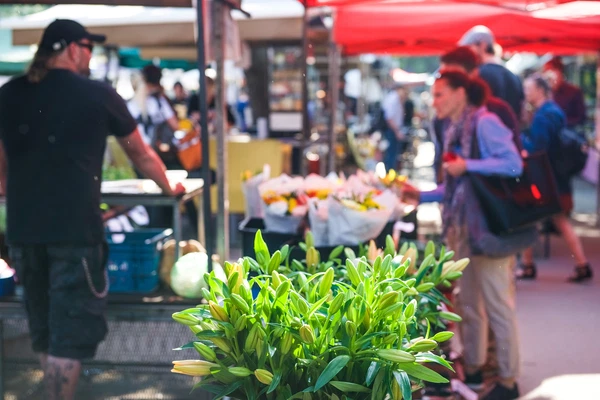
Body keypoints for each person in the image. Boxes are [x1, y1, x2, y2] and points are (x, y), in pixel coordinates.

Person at [0, 19, 184, 400]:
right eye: (88, 47)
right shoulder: (97, 94)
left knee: (42, 324)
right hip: (73, 232)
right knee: (68, 330)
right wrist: (171, 187)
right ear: (71, 49)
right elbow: (141, 154)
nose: (90, 55)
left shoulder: (10, 93)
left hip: (23, 230)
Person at [419, 70, 522, 400]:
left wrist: (470, 166)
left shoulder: (485, 121)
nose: (433, 102)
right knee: (469, 305)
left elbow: (513, 164)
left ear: (460, 93)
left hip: (491, 230)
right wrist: (418, 196)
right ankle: (475, 371)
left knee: (497, 307)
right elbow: (454, 185)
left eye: (439, 94)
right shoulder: (454, 128)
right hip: (465, 230)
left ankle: (508, 381)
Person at [518, 74, 592, 282]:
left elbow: (538, 148)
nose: (526, 93)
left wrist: (521, 139)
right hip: (556, 177)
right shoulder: (554, 111)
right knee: (558, 220)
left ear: (540, 90)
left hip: (545, 179)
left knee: (531, 218)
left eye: (528, 89)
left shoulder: (543, 115)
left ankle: (529, 265)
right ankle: (580, 264)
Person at [459, 25, 524, 119]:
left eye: (469, 47)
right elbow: (522, 115)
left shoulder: (479, 74)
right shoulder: (514, 76)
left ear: (483, 45)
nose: (466, 54)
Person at [127, 64, 180, 167]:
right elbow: (175, 125)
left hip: (138, 155)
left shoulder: (130, 105)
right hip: (158, 154)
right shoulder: (159, 101)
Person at [543, 57, 587, 130]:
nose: (549, 77)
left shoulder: (574, 91)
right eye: (547, 73)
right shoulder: (546, 93)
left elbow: (581, 117)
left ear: (560, 72)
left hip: (568, 135)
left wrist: (561, 123)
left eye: (553, 71)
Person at [381, 83, 406, 171]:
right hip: (392, 130)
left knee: (393, 153)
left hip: (394, 129)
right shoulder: (393, 99)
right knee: (391, 154)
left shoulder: (396, 98)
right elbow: (389, 118)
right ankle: (390, 174)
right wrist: (397, 131)